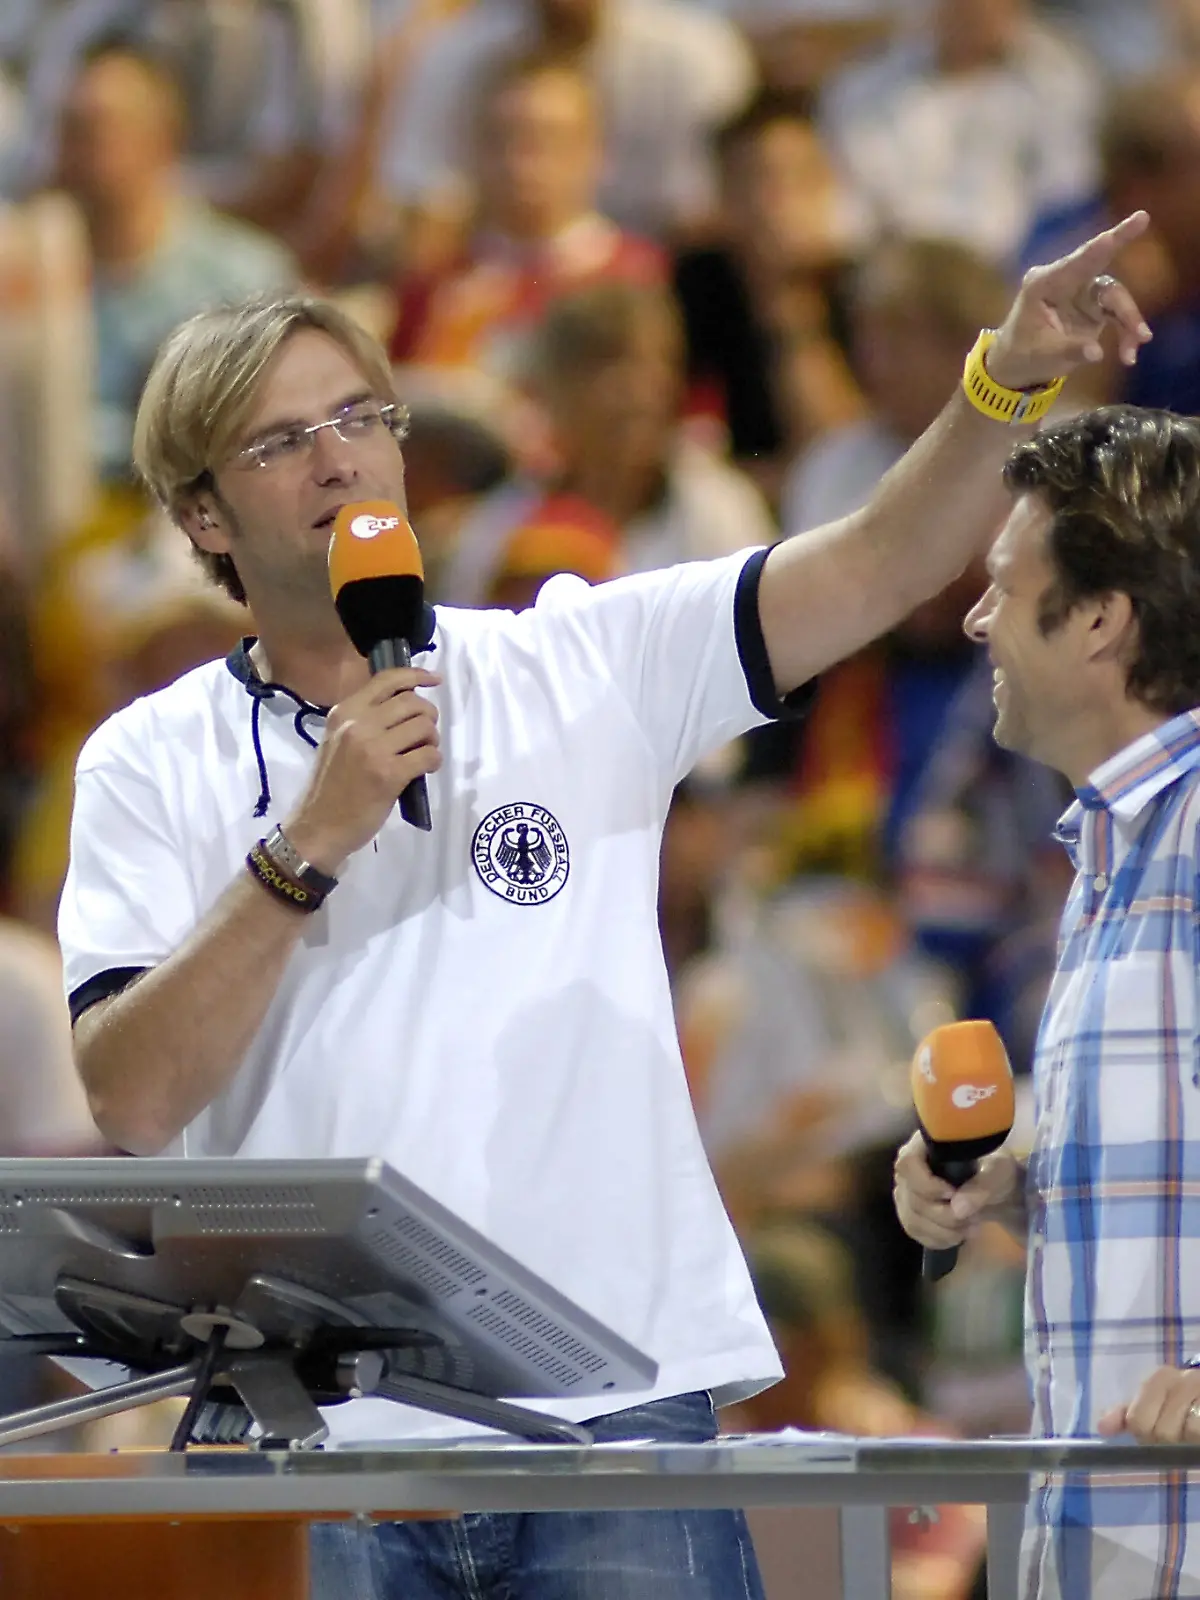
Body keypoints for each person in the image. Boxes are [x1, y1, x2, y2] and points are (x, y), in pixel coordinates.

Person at [58, 215, 1150, 1598]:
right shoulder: (148, 760)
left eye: (359, 417)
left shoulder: (579, 661)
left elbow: (882, 558)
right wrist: (308, 844)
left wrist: (1008, 375)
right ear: (203, 515)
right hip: (308, 1441)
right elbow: (135, 1099)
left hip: (613, 1419)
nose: (338, 458)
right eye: (281, 441)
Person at [892, 398, 1200, 1597]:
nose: (975, 618)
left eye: (1005, 587)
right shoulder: (1110, 858)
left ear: (1101, 619)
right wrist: (1015, 1182)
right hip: (1105, 1545)